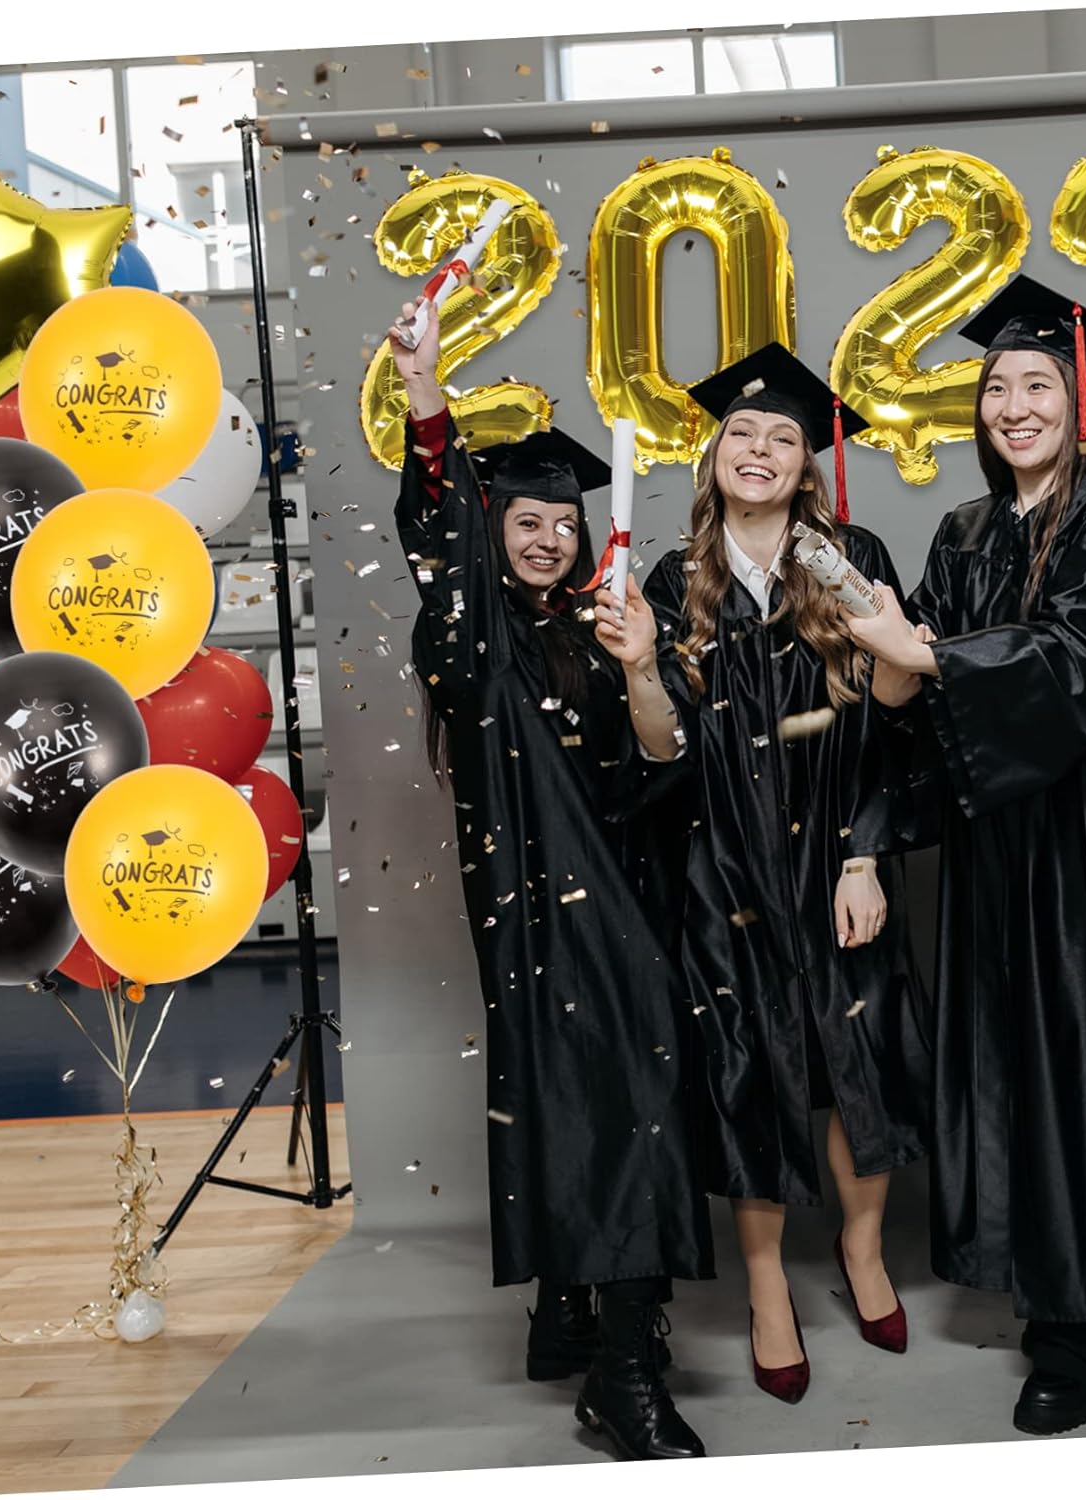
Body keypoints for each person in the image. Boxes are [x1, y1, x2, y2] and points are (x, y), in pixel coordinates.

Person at [842, 275, 1086, 1435]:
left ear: (1079, 403)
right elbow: (915, 685)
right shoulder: (965, 531)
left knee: (1081, 1079)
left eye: (1039, 384)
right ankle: (1059, 1291)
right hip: (998, 858)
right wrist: (891, 662)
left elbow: (1076, 666)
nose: (1015, 406)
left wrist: (925, 659)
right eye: (998, 387)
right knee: (1014, 1077)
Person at [387, 299, 713, 1461]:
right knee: (615, 1104)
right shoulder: (467, 636)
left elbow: (664, 766)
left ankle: (568, 1313)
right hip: (540, 910)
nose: (547, 540)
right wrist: (427, 394)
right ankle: (622, 1374)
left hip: (628, 898)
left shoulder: (604, 626)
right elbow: (441, 538)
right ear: (492, 529)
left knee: (586, 1101)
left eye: (563, 524)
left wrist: (643, 668)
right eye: (524, 521)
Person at [593, 342, 932, 1407]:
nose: (759, 449)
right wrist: (639, 667)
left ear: (805, 464)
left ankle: (862, 1252)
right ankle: (766, 1287)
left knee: (856, 1062)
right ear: (714, 456)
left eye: (783, 436)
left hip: (838, 857)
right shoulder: (672, 581)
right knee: (748, 1074)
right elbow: (662, 749)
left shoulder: (850, 558)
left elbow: (894, 718)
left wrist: (866, 852)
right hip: (723, 873)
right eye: (741, 432)